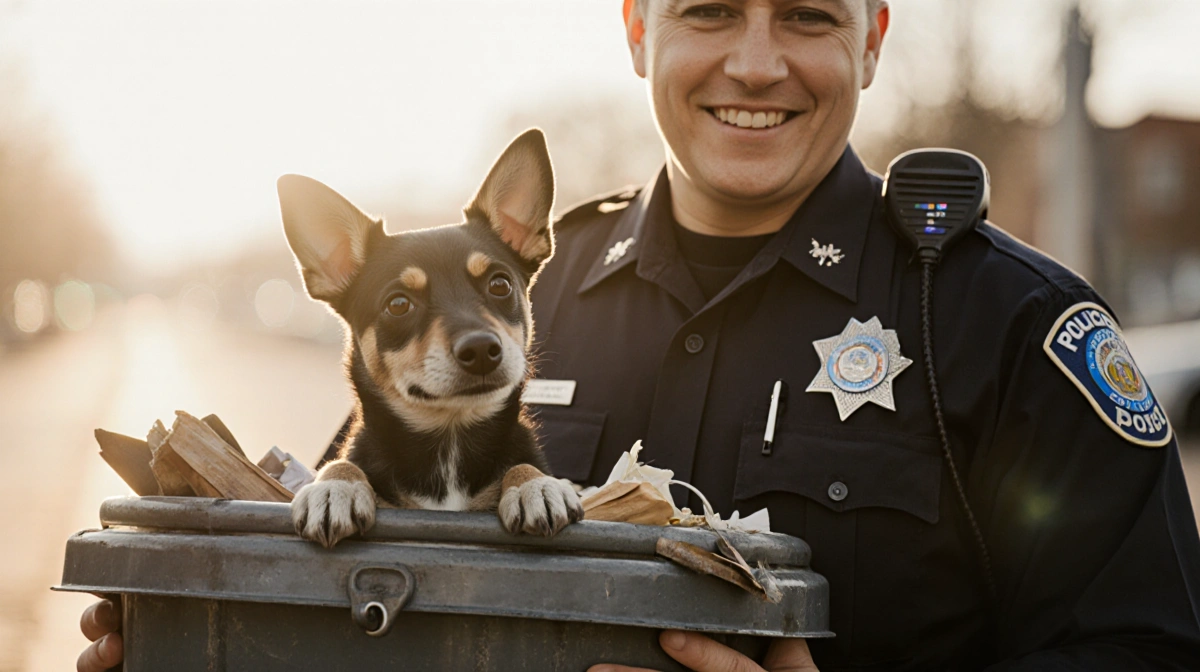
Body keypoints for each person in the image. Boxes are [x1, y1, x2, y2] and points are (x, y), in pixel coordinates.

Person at [79, 0, 1200, 670]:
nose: (756, 62)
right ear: (635, 28)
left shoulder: (1009, 327)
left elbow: (1149, 656)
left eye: (807, 15)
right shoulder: (513, 302)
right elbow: (362, 593)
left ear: (871, 40)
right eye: (709, 9)